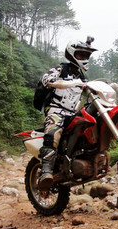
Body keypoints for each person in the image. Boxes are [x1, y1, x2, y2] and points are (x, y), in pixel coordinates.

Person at [38, 38, 96, 190]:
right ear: (72, 54)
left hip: (72, 113)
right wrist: (60, 82)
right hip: (56, 110)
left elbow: (91, 92)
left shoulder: (82, 78)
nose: (84, 58)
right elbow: (46, 79)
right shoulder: (60, 69)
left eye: (86, 56)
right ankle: (46, 172)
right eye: (81, 55)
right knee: (53, 131)